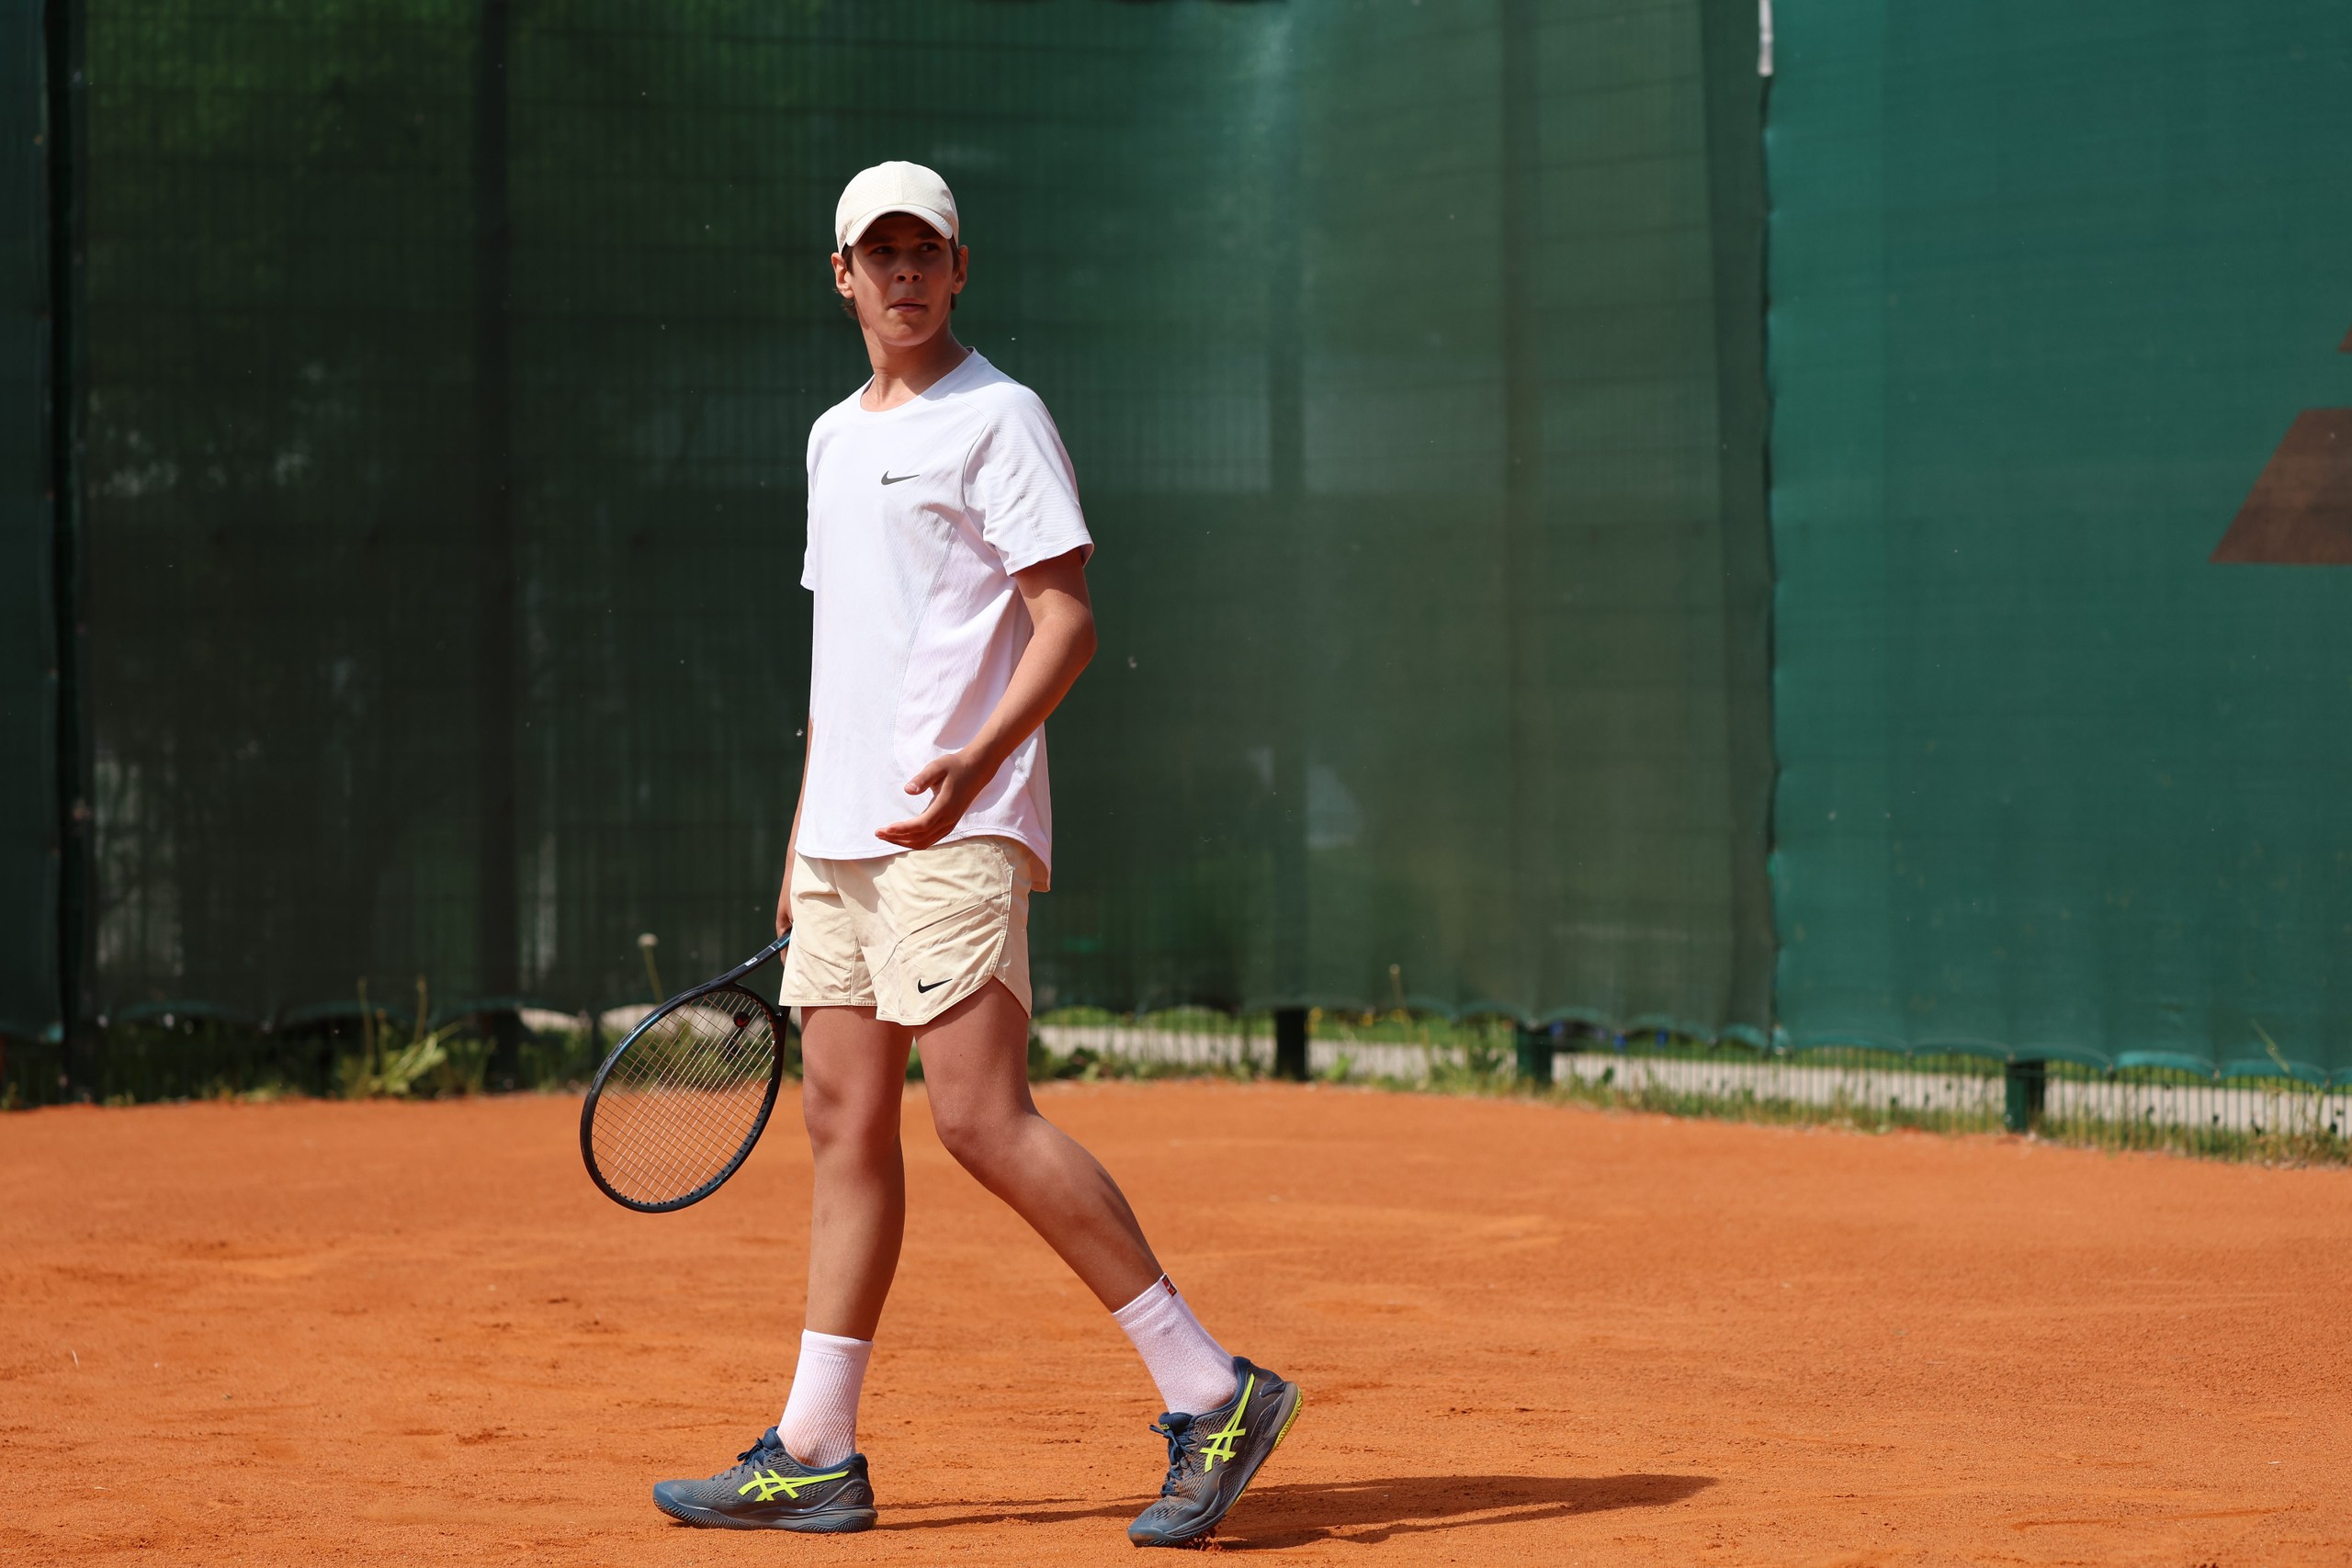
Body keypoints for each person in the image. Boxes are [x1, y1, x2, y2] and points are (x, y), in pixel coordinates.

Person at [650, 162, 1299, 1547]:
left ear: (958, 268)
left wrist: (974, 763)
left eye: (924, 253)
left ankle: (1212, 1390)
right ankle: (816, 1451)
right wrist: (803, 829)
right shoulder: (832, 439)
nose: (903, 275)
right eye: (877, 255)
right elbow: (846, 654)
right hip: (842, 839)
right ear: (841, 275)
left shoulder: (1000, 418)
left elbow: (1067, 622)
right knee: (843, 1126)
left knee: (979, 1119)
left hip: (959, 821)